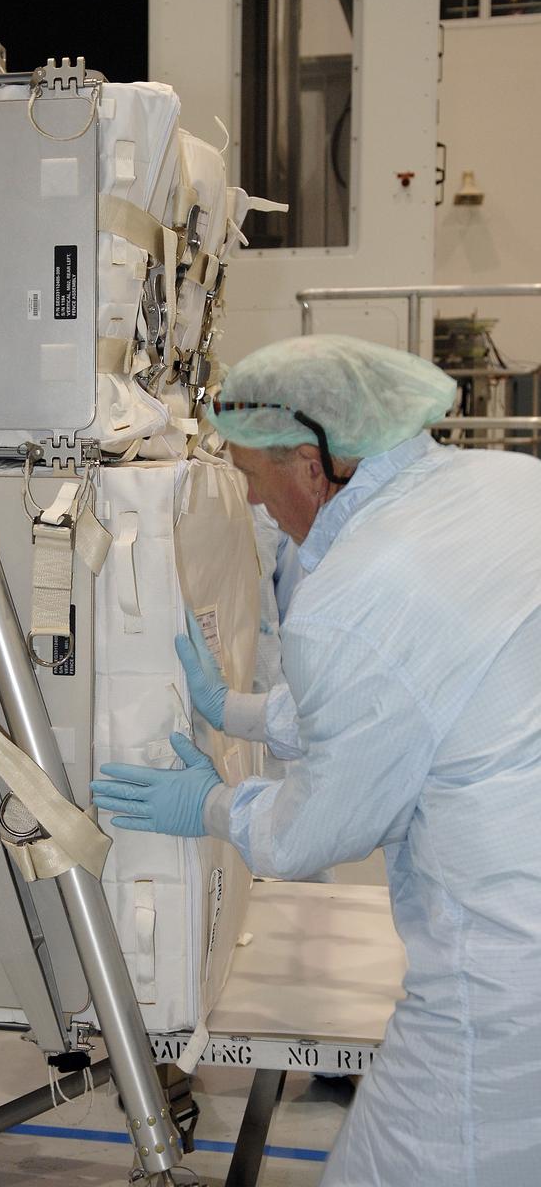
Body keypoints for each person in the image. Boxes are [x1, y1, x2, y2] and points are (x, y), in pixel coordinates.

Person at [91, 334, 541, 1187]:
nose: (260, 513)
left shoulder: (353, 596)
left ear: (311, 464)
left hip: (507, 979)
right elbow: (410, 690)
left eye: (257, 488)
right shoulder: (512, 486)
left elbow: (308, 834)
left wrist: (215, 803)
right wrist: (237, 710)